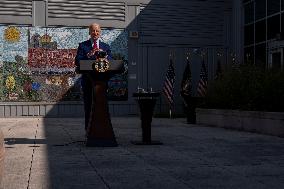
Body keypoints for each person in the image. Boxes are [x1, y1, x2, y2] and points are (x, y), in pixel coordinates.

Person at [75, 23, 112, 131]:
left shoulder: (106, 47)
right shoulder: (83, 46)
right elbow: (77, 61)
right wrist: (90, 54)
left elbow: (112, 61)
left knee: (102, 107)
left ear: (100, 32)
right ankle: (89, 132)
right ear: (89, 32)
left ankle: (103, 131)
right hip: (88, 82)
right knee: (89, 106)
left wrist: (105, 58)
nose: (95, 33)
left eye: (97, 31)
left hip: (102, 83)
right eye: (93, 31)